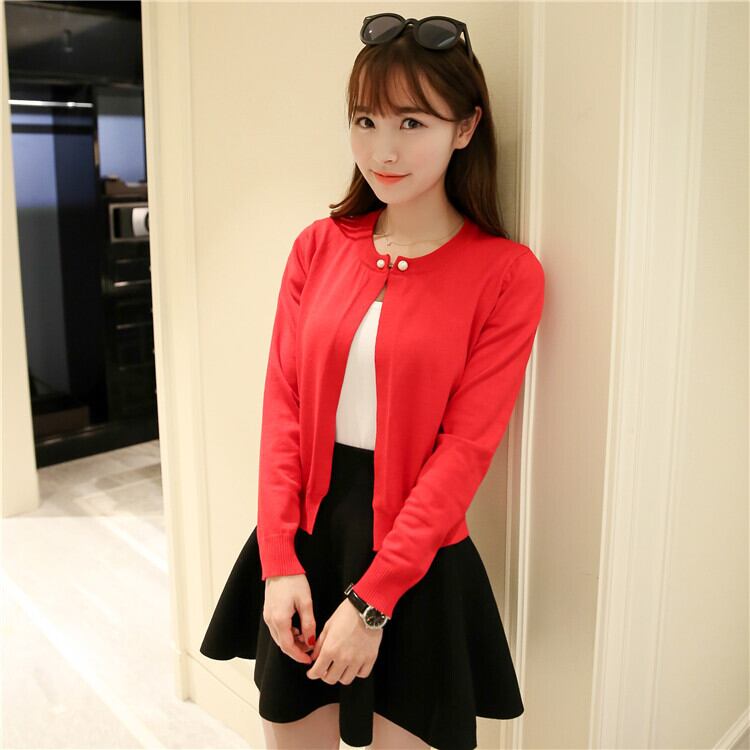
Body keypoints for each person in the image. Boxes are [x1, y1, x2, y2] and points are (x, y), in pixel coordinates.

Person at [200, 12, 545, 750]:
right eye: (365, 120)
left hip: (416, 558)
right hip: (306, 543)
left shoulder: (506, 274)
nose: (382, 150)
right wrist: (279, 563)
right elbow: (284, 411)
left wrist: (373, 603)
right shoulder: (317, 247)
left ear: (465, 127)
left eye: (412, 122)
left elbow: (465, 451)